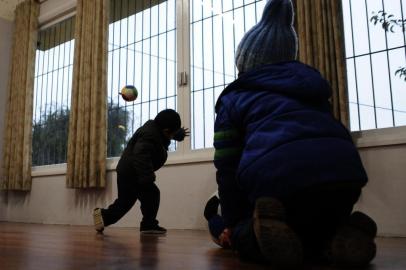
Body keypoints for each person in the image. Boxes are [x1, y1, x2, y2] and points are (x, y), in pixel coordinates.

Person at [213, 0, 377, 268]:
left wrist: (234, 221)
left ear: (246, 63)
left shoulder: (235, 97)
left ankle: (258, 235)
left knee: (246, 232)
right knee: (318, 223)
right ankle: (341, 232)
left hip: (279, 182)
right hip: (345, 176)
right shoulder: (313, 87)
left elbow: (227, 167)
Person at [93, 109, 189, 234]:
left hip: (127, 171)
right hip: (134, 172)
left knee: (124, 203)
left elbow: (163, 135)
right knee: (152, 194)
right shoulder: (149, 135)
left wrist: (177, 134)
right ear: (166, 130)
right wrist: (147, 178)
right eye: (172, 133)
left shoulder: (155, 129)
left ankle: (103, 217)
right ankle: (148, 224)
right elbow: (140, 154)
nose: (172, 136)